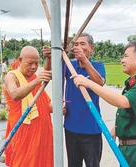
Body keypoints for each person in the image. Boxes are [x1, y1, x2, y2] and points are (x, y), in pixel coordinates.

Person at [72, 41, 136, 167]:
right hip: (130, 148)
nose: (122, 60)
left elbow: (122, 102)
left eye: (126, 56)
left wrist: (90, 83)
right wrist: (118, 128)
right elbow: (133, 112)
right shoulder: (134, 83)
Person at [43, 33, 106, 167]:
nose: (78, 47)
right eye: (76, 44)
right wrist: (50, 57)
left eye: (83, 44)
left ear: (92, 48)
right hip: (71, 127)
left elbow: (100, 82)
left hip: (91, 128)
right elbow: (49, 73)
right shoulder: (68, 65)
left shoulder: (98, 66)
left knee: (93, 164)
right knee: (73, 164)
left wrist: (85, 60)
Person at [3, 46, 53, 167]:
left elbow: (41, 88)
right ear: (20, 60)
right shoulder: (12, 76)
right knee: (23, 162)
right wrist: (36, 81)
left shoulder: (33, 77)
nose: (34, 67)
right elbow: (15, 94)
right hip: (23, 131)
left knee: (43, 161)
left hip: (42, 130)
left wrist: (49, 58)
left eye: (36, 63)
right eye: (30, 63)